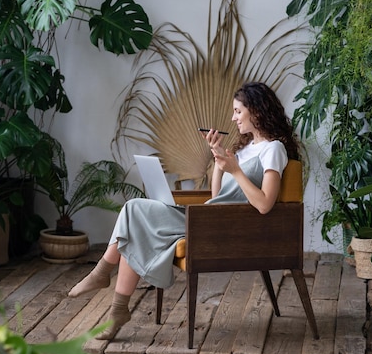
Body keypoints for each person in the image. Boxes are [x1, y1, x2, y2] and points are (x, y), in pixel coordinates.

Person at [68, 81, 300, 340]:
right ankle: (117, 310)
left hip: (225, 227)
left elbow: (265, 203)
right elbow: (217, 197)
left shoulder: (274, 149)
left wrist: (234, 170)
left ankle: (102, 276)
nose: (233, 118)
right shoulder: (246, 149)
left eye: (237, 111)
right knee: (135, 224)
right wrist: (218, 159)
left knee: (134, 209)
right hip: (212, 216)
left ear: (256, 111)